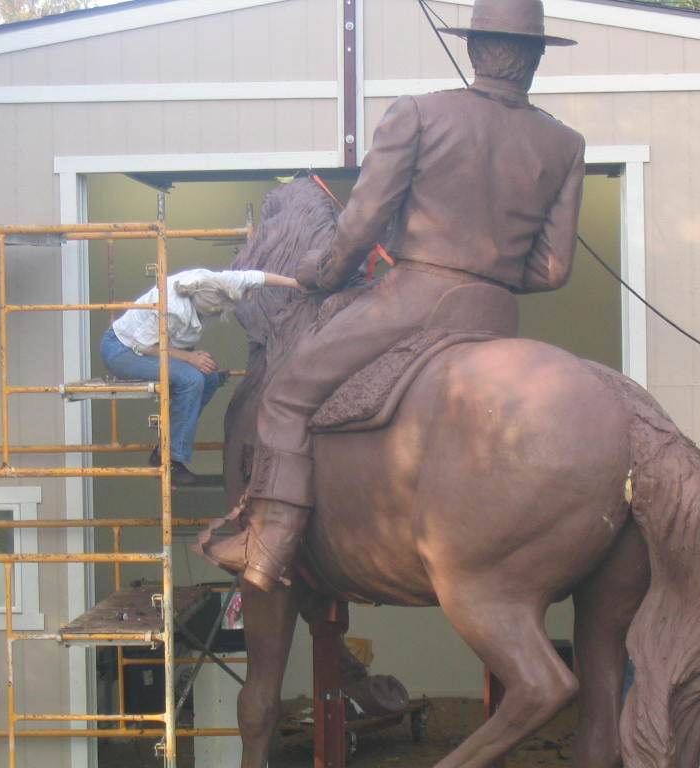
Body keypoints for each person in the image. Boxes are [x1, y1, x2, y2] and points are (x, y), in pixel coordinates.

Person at [198, 0, 586, 590]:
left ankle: (268, 545)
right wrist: (492, 269)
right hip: (496, 314)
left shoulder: (419, 114)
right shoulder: (564, 143)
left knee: (285, 396)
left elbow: (361, 223)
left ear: (475, 50)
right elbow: (554, 269)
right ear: (534, 59)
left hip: (414, 301)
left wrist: (322, 273)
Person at [100, 268, 300, 485]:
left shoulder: (219, 283)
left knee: (209, 378)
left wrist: (296, 283)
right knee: (191, 379)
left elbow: (258, 277)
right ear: (203, 309)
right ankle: (172, 459)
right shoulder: (171, 308)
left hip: (148, 346)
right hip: (123, 350)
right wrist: (189, 357)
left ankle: (165, 449)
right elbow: (142, 344)